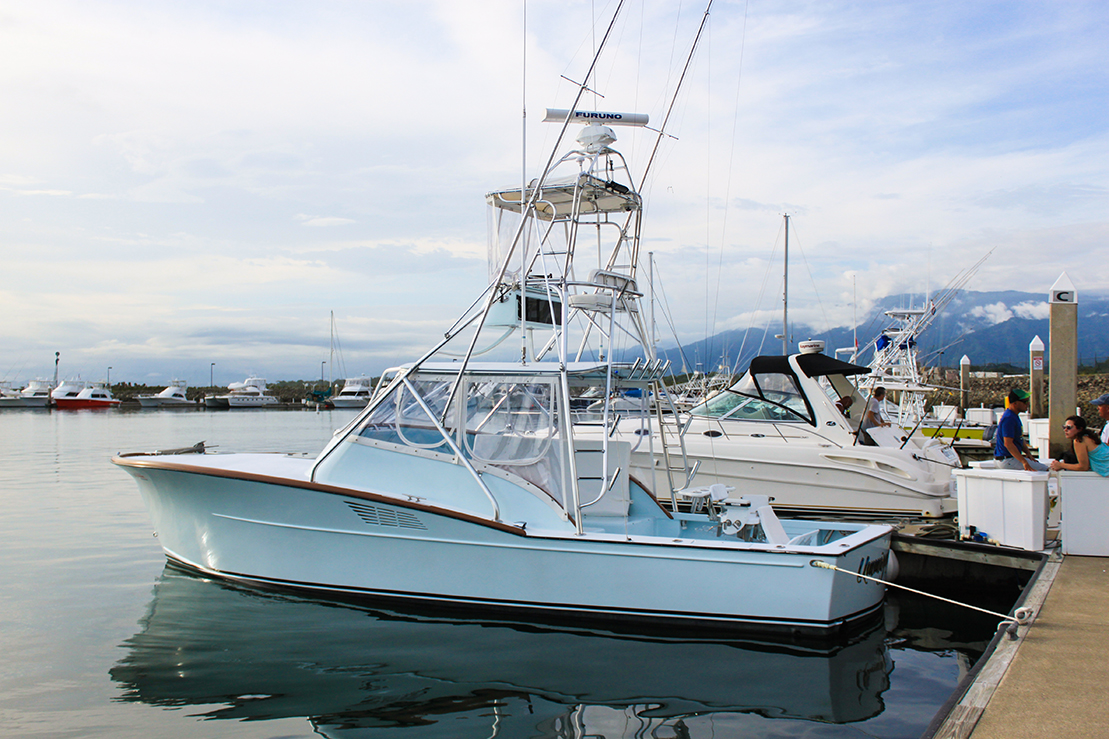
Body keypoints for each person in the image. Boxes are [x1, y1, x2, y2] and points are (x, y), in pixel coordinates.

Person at [994, 388, 1047, 471]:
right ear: (1015, 403)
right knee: (1045, 469)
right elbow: (1008, 444)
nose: (1028, 404)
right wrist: (1024, 462)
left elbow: (1019, 439)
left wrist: (1028, 453)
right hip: (1007, 459)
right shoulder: (1009, 418)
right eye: (1024, 402)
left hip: (1009, 459)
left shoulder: (1014, 416)